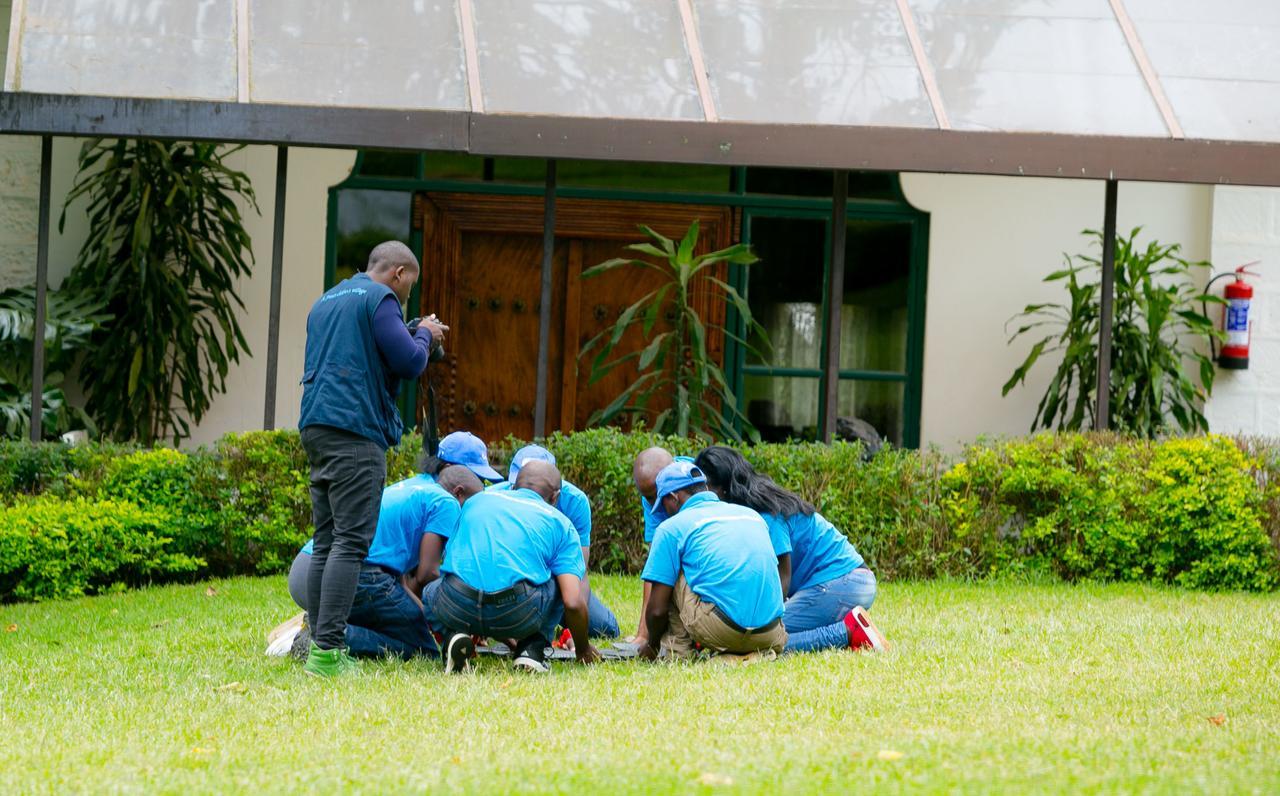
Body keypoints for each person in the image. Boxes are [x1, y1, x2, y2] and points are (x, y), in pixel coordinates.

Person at [297, 240, 448, 677]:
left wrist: (411, 328)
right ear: (398, 273)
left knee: (326, 539)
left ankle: (320, 646)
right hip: (354, 431)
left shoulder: (328, 299)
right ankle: (327, 654)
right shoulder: (380, 297)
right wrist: (425, 334)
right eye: (408, 288)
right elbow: (409, 361)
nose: (406, 297)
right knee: (349, 542)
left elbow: (365, 352)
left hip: (317, 425)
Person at [693, 446, 887, 653]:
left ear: (723, 488)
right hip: (847, 583)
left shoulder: (766, 513)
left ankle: (847, 632)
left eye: (704, 489)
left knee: (760, 639)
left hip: (844, 583)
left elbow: (782, 581)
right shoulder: (756, 504)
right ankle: (847, 626)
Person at [424, 461, 601, 674]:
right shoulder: (561, 523)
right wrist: (583, 649)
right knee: (560, 579)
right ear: (555, 497)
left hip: (456, 604)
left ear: (513, 487)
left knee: (430, 590)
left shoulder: (475, 501)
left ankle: (453, 636)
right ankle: (533, 650)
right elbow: (573, 601)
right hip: (519, 612)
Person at [638, 460, 787, 660]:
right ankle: (751, 654)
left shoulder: (672, 527)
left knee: (671, 571)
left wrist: (651, 645)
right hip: (771, 633)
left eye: (663, 503)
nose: (663, 512)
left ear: (673, 497)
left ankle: (678, 654)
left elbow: (657, 611)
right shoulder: (751, 515)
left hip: (722, 631)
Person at [488, 444, 621, 638]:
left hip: (559, 580)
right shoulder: (492, 497)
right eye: (518, 484)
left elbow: (579, 569)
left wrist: (576, 633)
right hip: (509, 579)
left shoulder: (575, 501)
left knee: (605, 628)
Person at [419, 430, 504, 483]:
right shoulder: (436, 502)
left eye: (482, 481)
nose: (481, 488)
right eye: (477, 479)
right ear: (447, 470)